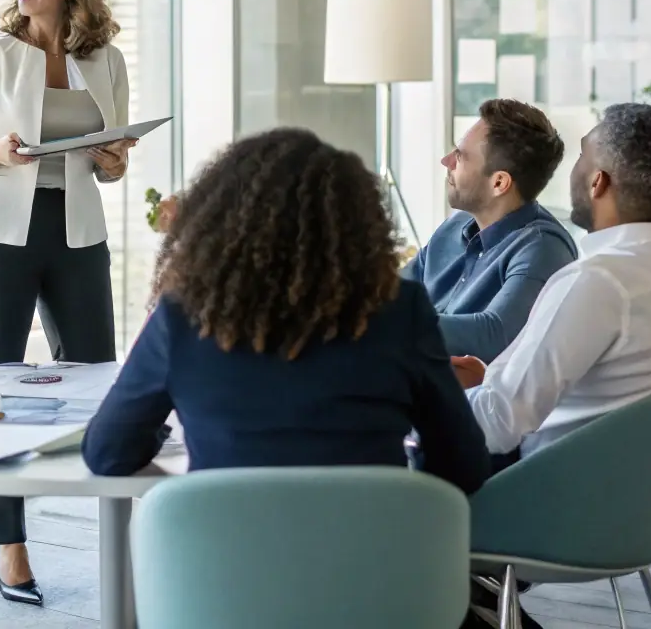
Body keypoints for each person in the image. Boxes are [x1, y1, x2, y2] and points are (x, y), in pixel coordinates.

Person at [82, 128, 490, 496]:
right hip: (371, 570)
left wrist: (168, 425)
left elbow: (108, 453)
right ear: (356, 224)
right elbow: (463, 466)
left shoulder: (183, 317)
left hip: (222, 573)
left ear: (220, 220)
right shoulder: (401, 311)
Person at [0, 0, 134, 606]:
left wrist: (114, 162)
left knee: (101, 384)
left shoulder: (104, 58)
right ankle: (10, 546)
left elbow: (111, 158)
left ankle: (125, 535)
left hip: (75, 231)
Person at [452, 102, 651, 459]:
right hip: (616, 494)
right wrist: (491, 380)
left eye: (582, 155)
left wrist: (420, 396)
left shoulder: (596, 283)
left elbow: (495, 427)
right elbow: (611, 384)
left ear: (598, 181)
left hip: (530, 491)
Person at [403, 99, 576, 363]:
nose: (446, 161)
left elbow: (495, 334)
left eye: (460, 156)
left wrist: (389, 323)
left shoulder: (542, 248)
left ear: (499, 182)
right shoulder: (455, 226)